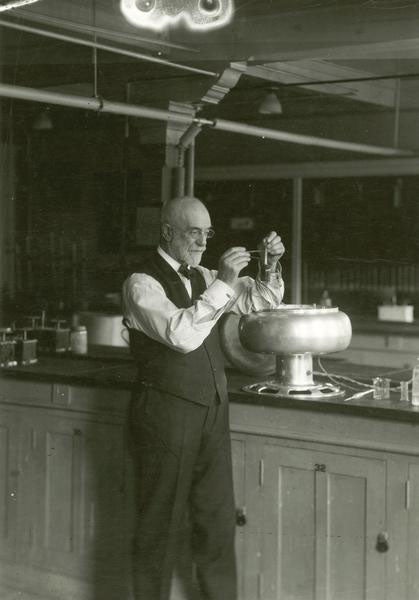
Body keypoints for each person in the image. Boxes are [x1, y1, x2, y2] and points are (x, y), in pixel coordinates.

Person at [122, 195, 285, 600]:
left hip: (211, 411)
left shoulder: (203, 276)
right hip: (165, 414)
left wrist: (268, 266)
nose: (202, 242)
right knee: (158, 527)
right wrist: (224, 283)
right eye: (194, 232)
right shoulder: (141, 283)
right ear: (167, 232)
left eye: (207, 233)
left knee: (216, 524)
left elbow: (260, 300)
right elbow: (182, 334)